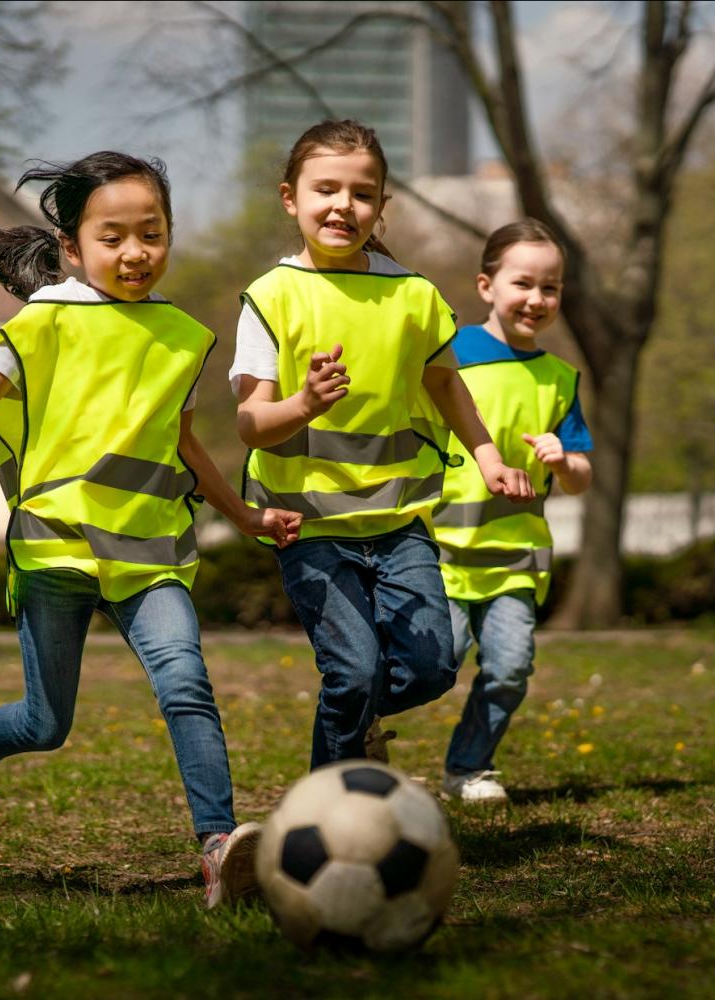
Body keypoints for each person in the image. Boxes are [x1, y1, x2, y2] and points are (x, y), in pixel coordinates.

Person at [0, 151, 302, 907]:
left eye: (151, 234)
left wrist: (247, 516)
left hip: (152, 554)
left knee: (187, 684)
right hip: (56, 547)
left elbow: (186, 446)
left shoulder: (183, 337)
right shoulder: (43, 321)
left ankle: (219, 848)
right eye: (114, 236)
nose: (135, 253)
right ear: (73, 248)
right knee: (45, 723)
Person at [229, 120, 534, 769]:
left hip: (399, 525)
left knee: (433, 669)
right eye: (326, 189)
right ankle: (327, 805)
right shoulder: (271, 296)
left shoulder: (415, 296)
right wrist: (303, 404)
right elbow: (250, 423)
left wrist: (488, 456)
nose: (344, 205)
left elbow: (447, 387)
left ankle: (352, 719)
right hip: (308, 528)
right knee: (356, 672)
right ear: (291, 198)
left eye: (362, 193)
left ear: (382, 206)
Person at [418, 219, 593, 803]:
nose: (537, 299)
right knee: (431, 666)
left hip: (516, 560)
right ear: (486, 285)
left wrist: (564, 460)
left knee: (511, 669)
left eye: (551, 288)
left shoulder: (560, 378)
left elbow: (581, 479)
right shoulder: (449, 357)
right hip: (441, 553)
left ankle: (469, 769)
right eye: (524, 283)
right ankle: (362, 730)